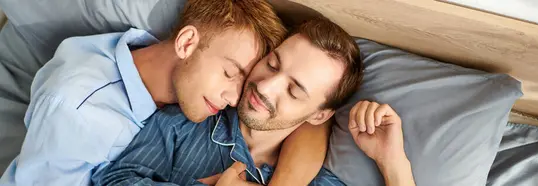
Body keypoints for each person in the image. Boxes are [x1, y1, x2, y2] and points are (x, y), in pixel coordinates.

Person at [0, 0, 327, 185]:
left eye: (242, 84)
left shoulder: (197, 80)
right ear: (186, 42)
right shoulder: (80, 112)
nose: (232, 99)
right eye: (230, 74)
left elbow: (310, 122)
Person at [93, 18, 415, 186]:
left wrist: (394, 164)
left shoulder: (316, 180)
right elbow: (114, 181)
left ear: (319, 116)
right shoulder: (182, 124)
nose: (265, 86)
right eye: (273, 64)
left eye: (294, 90)